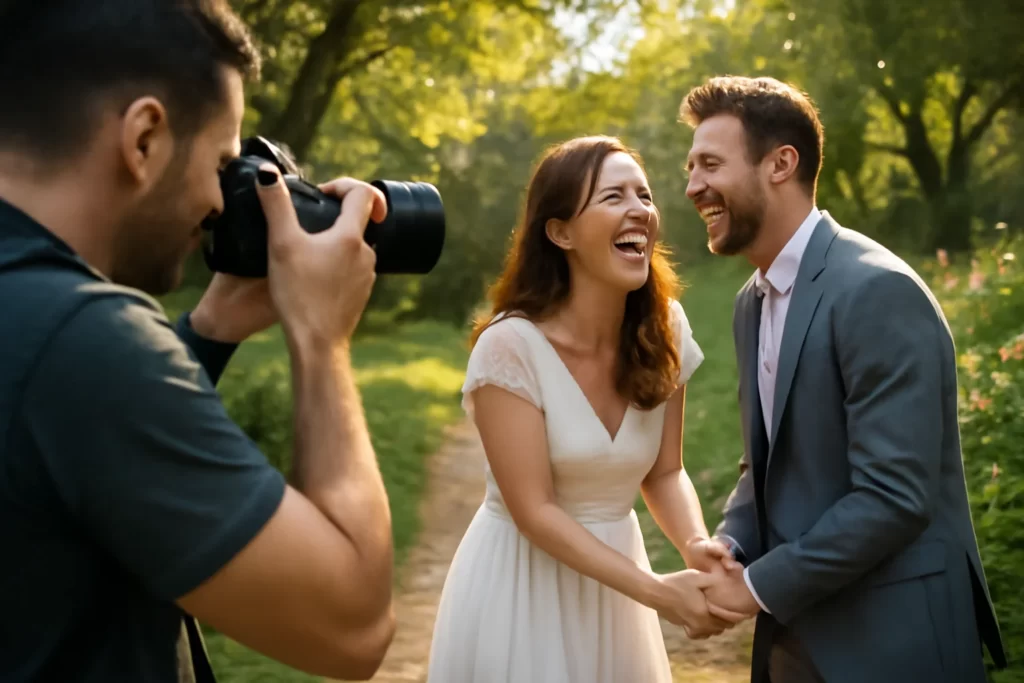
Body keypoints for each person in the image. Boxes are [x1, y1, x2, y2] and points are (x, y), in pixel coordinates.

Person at [0, 2, 398, 681]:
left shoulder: (35, 324)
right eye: (220, 161)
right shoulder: (83, 341)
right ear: (144, 138)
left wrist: (211, 329)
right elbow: (351, 626)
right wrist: (320, 335)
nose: (221, 202)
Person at [678, 75, 1008, 683]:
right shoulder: (752, 301)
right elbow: (770, 465)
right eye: (690, 166)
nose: (692, 185)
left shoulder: (876, 290)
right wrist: (732, 546)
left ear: (780, 164)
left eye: (710, 164)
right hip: (796, 641)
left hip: (892, 642)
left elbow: (894, 496)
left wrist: (755, 587)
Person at [426, 135, 744, 683]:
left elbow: (665, 472)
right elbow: (534, 511)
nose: (639, 211)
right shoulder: (509, 347)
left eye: (644, 195)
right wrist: (657, 592)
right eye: (613, 197)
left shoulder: (665, 328)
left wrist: (695, 545)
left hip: (617, 598)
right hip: (520, 590)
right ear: (560, 232)